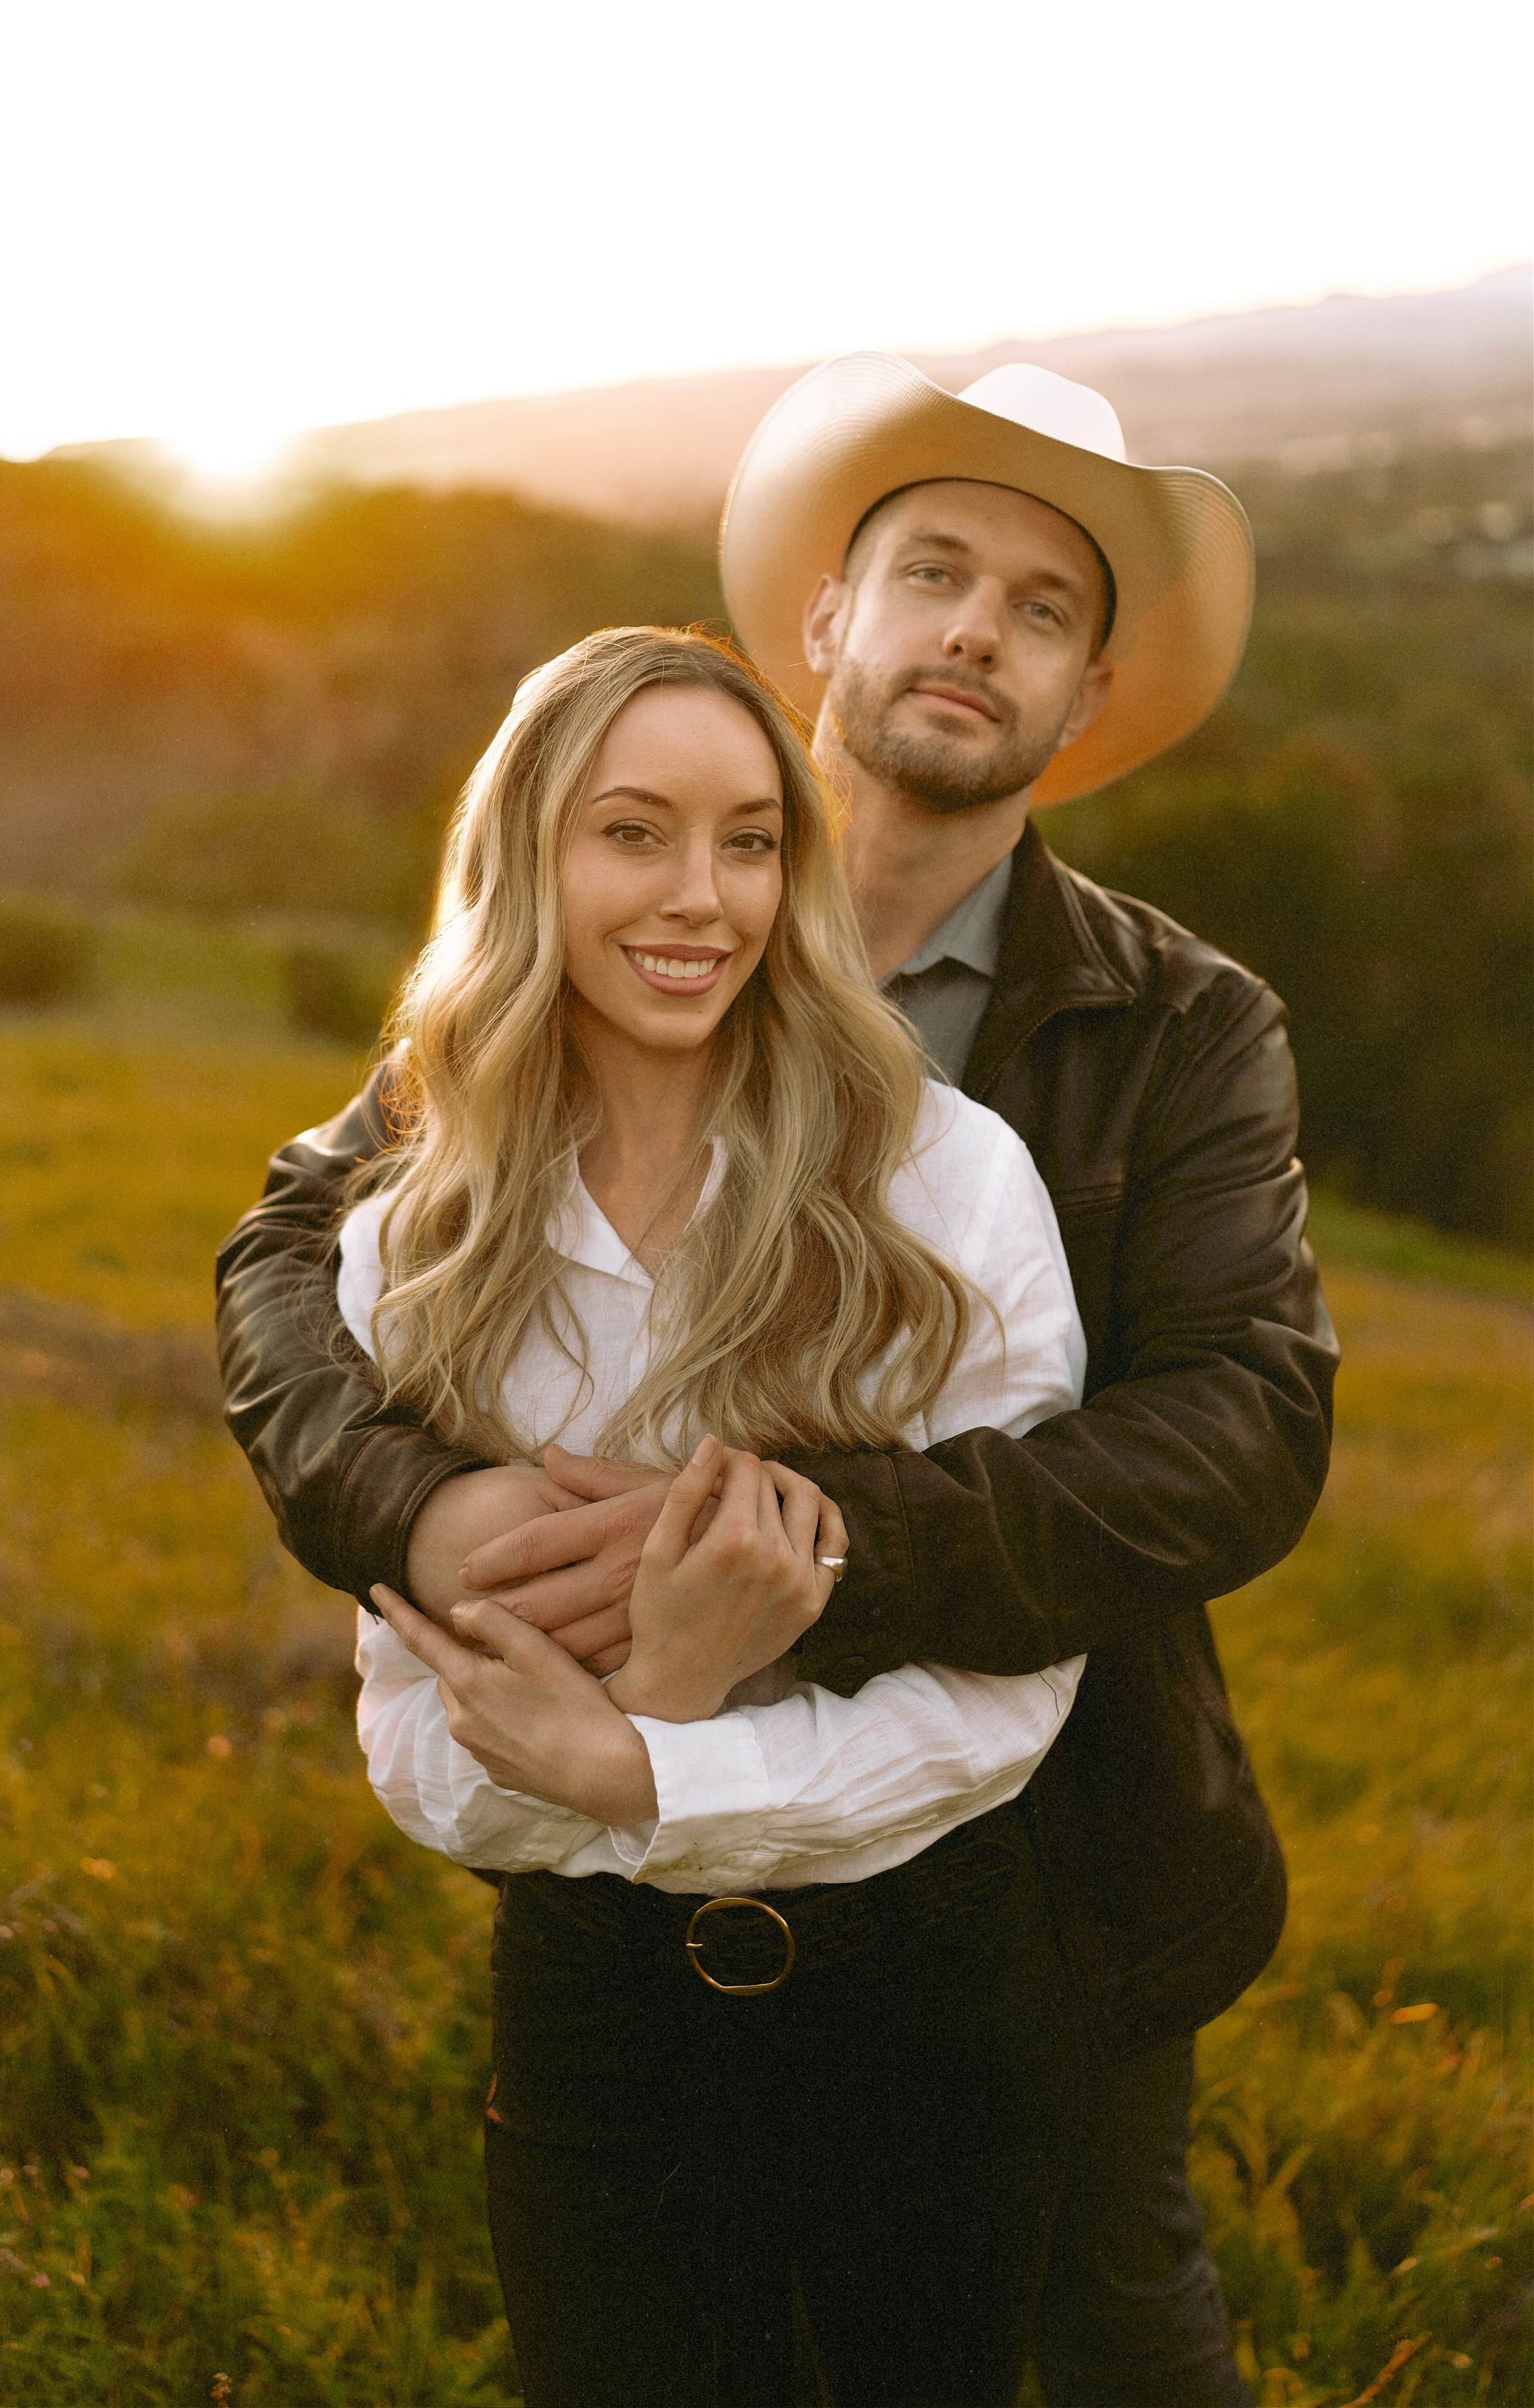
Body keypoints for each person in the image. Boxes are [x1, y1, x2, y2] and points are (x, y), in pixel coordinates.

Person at [216, 360, 1340, 2407]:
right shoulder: (623, 931)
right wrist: (421, 1508)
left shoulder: (1183, 1026)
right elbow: (300, 1240)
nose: (978, 631)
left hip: (1057, 1846)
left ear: (1088, 693)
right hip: (605, 1854)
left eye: (1045, 608)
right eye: (936, 571)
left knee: (1103, 2319)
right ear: (828, 616)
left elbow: (1248, 1430)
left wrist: (787, 1552)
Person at [326, 623, 1090, 2406]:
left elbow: (1016, 1674)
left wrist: (643, 1767)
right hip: (589, 2013)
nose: (701, 896)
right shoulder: (411, 1242)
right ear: (526, 857)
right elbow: (411, 1735)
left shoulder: (944, 1178)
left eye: (750, 841)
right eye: (633, 833)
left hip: (918, 2007)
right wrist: (650, 1720)